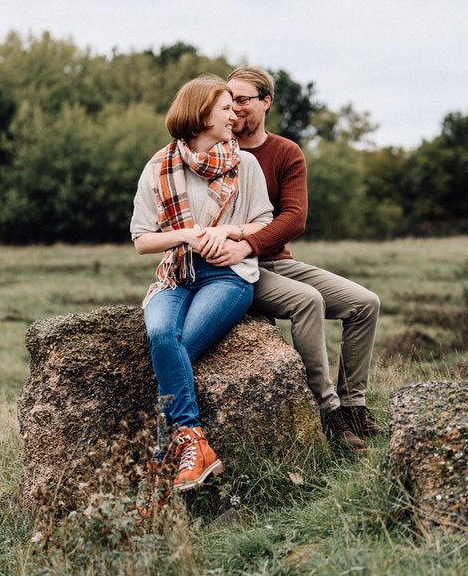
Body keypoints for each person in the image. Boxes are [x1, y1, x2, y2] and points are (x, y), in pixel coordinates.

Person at [205, 66, 382, 451]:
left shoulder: (285, 152)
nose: (234, 110)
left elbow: (294, 218)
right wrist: (239, 250)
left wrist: (251, 244)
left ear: (265, 103)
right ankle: (328, 413)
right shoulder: (213, 149)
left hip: (274, 258)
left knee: (365, 304)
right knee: (308, 301)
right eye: (227, 101)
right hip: (233, 268)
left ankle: (353, 405)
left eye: (243, 100)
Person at [130, 75, 273, 492]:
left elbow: (264, 222)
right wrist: (185, 235)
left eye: (236, 106)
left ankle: (163, 462)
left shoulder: (243, 164)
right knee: (160, 335)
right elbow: (142, 240)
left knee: (180, 351)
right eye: (226, 108)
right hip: (175, 275)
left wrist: (228, 232)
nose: (236, 115)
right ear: (200, 112)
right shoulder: (158, 166)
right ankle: (194, 446)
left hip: (228, 276)